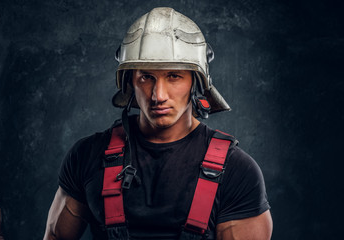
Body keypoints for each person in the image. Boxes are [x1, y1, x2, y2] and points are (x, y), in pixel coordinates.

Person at [43, 7, 272, 240]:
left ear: (196, 83)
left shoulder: (236, 170)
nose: (158, 95)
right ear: (130, 81)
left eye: (174, 76)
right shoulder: (86, 155)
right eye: (146, 77)